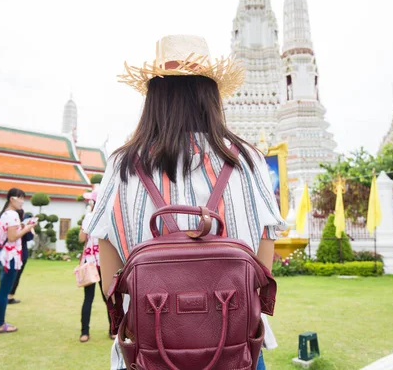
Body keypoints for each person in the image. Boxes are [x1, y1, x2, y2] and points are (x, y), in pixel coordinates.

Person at [87, 35, 285, 370]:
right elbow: (261, 273)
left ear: (154, 97)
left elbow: (111, 284)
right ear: (212, 95)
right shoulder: (250, 161)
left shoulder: (121, 165)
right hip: (237, 353)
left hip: (151, 354)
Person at [0, 188, 36, 334]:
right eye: (20, 198)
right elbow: (13, 237)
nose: (22, 202)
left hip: (2, 257)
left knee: (2, 290)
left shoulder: (4, 214)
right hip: (10, 258)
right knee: (4, 292)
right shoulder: (12, 215)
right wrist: (28, 228)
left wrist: (23, 227)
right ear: (12, 199)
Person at [78, 199, 113, 343]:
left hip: (94, 262)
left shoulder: (90, 217)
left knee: (93, 298)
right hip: (98, 262)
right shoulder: (104, 217)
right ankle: (113, 330)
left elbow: (81, 239)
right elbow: (82, 239)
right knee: (108, 298)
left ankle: (84, 333)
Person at [8, 211, 35, 304]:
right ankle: (9, 296)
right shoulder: (20, 227)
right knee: (15, 276)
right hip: (19, 253)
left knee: (13, 276)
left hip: (14, 252)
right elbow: (30, 237)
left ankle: (8, 295)